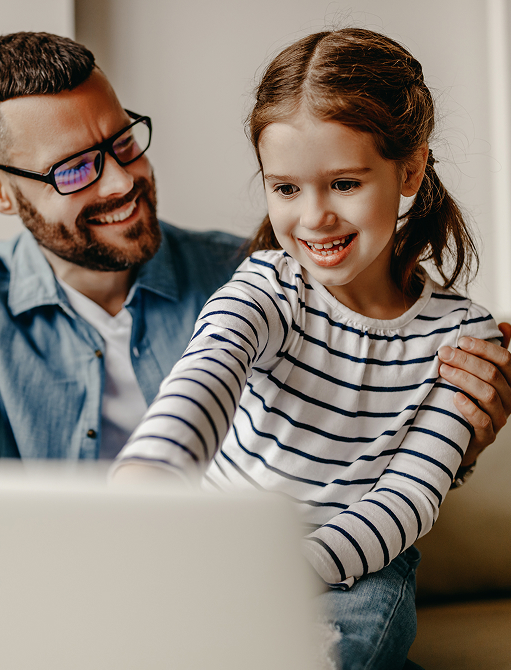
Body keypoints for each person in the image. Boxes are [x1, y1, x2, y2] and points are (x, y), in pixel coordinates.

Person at [0, 30, 508, 480]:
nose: (119, 182)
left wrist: (459, 440)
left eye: (122, 143)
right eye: (74, 170)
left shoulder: (247, 273)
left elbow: (358, 427)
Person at [110, 28, 506, 669]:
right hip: (221, 539)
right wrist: (148, 480)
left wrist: (284, 574)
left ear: (410, 169)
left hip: (359, 560)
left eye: (344, 183)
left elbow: (404, 501)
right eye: (287, 189)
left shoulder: (464, 338)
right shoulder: (268, 285)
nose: (313, 216)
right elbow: (206, 374)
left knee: (345, 641)